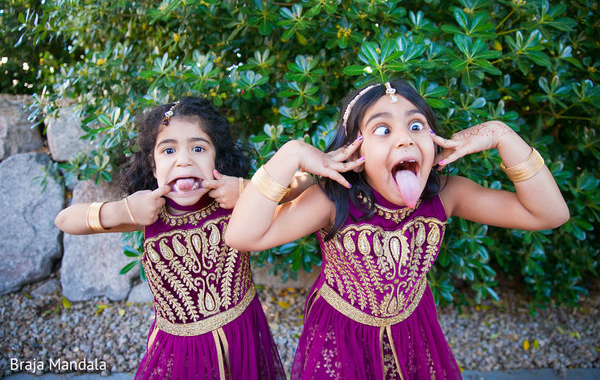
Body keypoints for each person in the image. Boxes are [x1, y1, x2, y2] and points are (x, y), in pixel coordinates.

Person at [225, 79, 570, 380]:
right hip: (342, 336)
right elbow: (242, 237)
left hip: (414, 330)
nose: (405, 140)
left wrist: (502, 134)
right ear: (355, 148)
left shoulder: (447, 194)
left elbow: (549, 214)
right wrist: (291, 154)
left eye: (417, 126)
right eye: (383, 130)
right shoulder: (331, 200)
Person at [54, 96, 289, 379]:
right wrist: (123, 209)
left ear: (218, 159)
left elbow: (300, 189)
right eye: (168, 151)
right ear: (153, 168)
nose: (183, 161)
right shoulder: (148, 212)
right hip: (180, 350)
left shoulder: (234, 202)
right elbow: (65, 220)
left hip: (242, 334)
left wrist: (247, 189)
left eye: (198, 148)